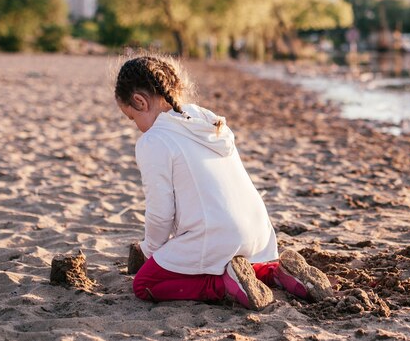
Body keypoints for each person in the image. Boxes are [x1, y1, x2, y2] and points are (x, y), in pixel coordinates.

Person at [115, 55, 333, 310]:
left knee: (145, 283)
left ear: (140, 102)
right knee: (228, 260)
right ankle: (275, 272)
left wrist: (150, 250)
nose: (138, 127)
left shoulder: (154, 141)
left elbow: (161, 213)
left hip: (218, 235)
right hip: (258, 235)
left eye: (133, 118)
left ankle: (223, 285)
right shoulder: (208, 124)